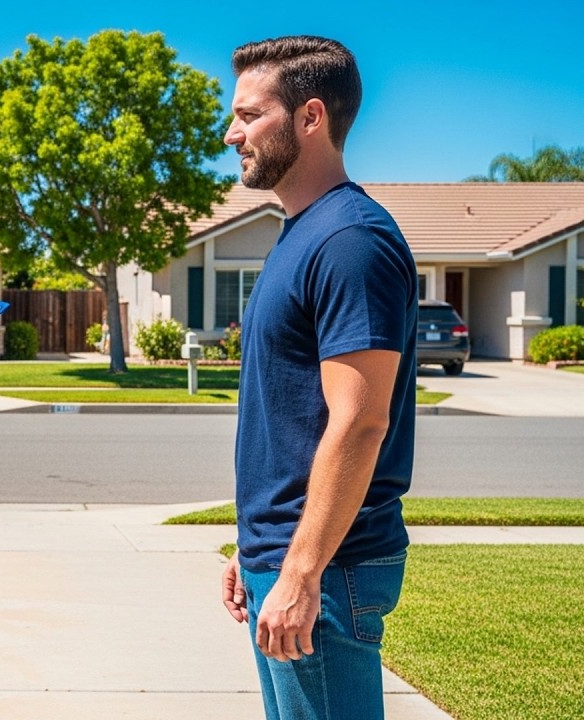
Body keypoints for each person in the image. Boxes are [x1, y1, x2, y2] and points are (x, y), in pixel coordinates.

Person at [217, 37, 417, 720]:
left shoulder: (349, 241)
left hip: (329, 569)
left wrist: (301, 569)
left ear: (310, 117)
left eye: (250, 115)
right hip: (290, 554)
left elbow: (360, 421)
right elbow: (293, 416)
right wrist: (258, 547)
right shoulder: (303, 234)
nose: (232, 133)